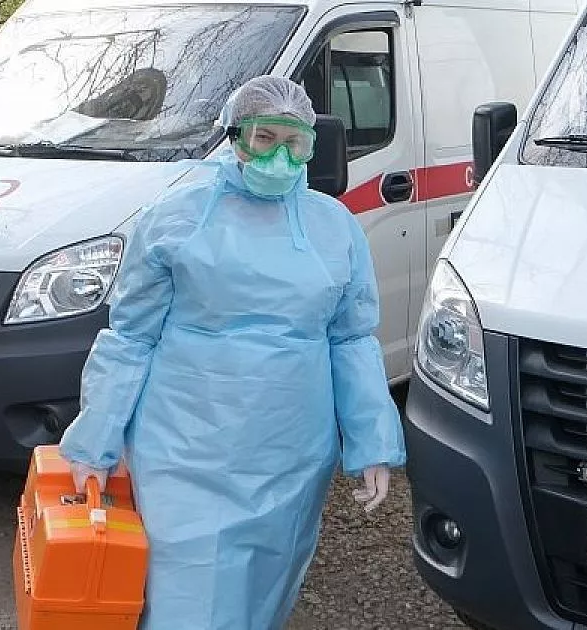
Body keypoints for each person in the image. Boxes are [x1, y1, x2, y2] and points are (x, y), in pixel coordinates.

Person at [57, 75, 406, 630]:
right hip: (183, 449)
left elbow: (351, 340)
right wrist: (94, 442)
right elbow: (131, 336)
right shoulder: (175, 217)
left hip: (291, 453)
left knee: (264, 588)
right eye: (264, 138)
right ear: (234, 135)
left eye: (295, 144)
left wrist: (372, 443)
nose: (279, 158)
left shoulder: (334, 227)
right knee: (184, 596)